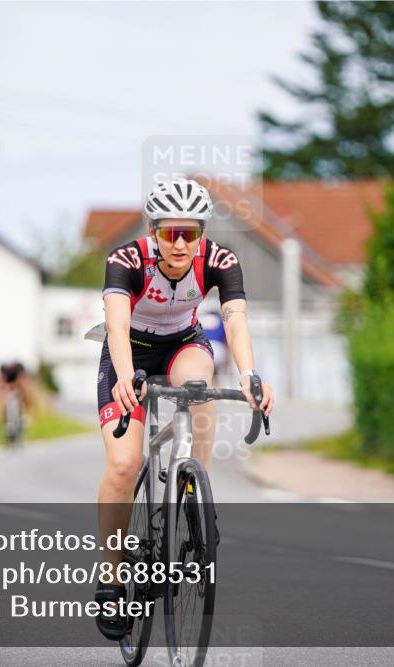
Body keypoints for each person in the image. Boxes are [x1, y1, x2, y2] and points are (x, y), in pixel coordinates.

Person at [93, 178, 274, 640]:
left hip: (183, 345)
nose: (179, 244)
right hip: (129, 352)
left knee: (200, 388)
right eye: (169, 233)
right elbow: (116, 329)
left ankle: (195, 494)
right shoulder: (125, 261)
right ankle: (111, 580)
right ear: (152, 231)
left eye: (189, 233)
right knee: (123, 465)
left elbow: (235, 322)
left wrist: (250, 375)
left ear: (202, 233)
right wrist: (126, 377)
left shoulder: (219, 260)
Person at [0, 362, 29, 444]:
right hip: (7, 388)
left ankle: (21, 417)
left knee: (21, 397)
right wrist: (3, 398)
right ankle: (6, 424)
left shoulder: (19, 369)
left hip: (17, 388)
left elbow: (22, 383)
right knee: (4, 403)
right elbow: (0, 385)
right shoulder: (4, 372)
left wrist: (22, 396)